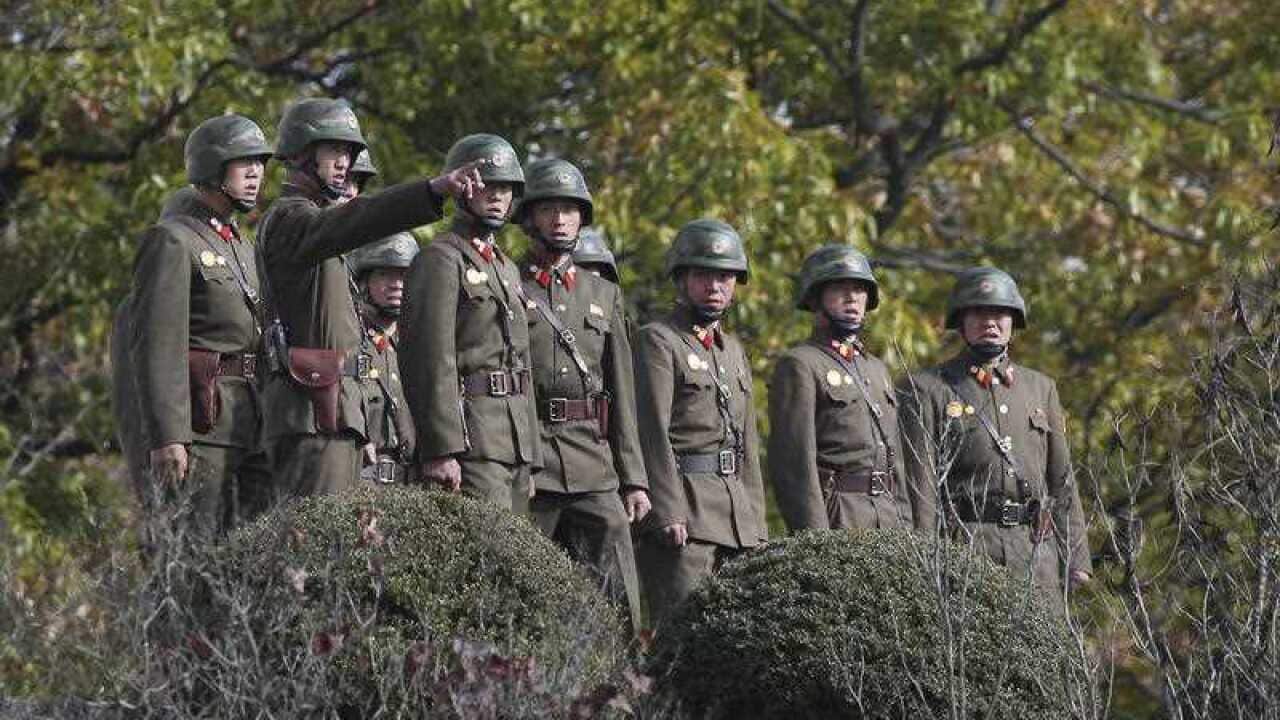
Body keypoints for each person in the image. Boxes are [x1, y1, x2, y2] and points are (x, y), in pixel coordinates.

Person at [256, 98, 482, 497]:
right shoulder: (291, 218)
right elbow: (357, 217)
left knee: (338, 535)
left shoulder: (317, 228)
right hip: (309, 416)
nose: (344, 163)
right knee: (315, 534)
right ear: (303, 153)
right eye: (334, 150)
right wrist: (432, 190)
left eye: (349, 152)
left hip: (335, 414)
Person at [899, 267, 1091, 614]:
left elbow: (1062, 479)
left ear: (1013, 321)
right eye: (978, 313)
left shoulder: (1040, 388)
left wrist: (1076, 555)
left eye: (1000, 313)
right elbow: (919, 485)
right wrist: (924, 558)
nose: (990, 322)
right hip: (964, 550)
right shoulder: (928, 388)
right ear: (961, 322)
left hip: (1034, 553)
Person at [118, 113, 274, 534]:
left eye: (260, 163)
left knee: (252, 554)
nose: (256, 173)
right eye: (244, 162)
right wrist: (168, 436)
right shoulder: (173, 239)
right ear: (212, 168)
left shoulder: (242, 246)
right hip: (202, 427)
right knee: (193, 552)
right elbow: (157, 344)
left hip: (252, 422)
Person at [514, 158, 650, 629]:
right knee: (525, 590)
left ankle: (623, 668)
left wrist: (633, 479)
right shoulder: (509, 283)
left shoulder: (602, 293)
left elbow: (622, 392)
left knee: (618, 590)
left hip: (593, 463)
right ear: (529, 218)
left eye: (570, 210)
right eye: (549, 209)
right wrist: (522, 463)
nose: (560, 219)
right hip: (535, 462)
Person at [633, 219, 768, 627]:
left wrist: (756, 524)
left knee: (735, 637)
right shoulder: (658, 340)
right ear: (682, 279)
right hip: (686, 514)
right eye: (703, 275)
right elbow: (650, 430)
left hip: (735, 519)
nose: (714, 286)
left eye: (724, 277)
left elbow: (747, 446)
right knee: (680, 633)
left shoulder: (733, 351)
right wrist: (666, 510)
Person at [400, 134, 541, 512]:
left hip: (514, 443)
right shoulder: (441, 259)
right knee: (487, 546)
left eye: (505, 188)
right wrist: (441, 449)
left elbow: (522, 362)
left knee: (515, 549)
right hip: (471, 439)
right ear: (463, 189)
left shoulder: (507, 269)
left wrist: (532, 454)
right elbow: (430, 360)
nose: (497, 196)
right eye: (486, 185)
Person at [768, 245, 911, 531]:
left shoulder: (877, 369)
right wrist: (816, 537)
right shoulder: (801, 364)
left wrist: (906, 525)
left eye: (859, 289)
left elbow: (896, 462)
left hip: (888, 518)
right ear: (816, 297)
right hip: (839, 516)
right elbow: (794, 465)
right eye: (840, 289)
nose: (852, 298)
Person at [347, 232, 418, 484]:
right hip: (362, 477)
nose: (396, 284)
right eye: (385, 274)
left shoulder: (417, 343)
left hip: (410, 480)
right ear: (364, 281)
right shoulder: (349, 340)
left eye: (404, 275)